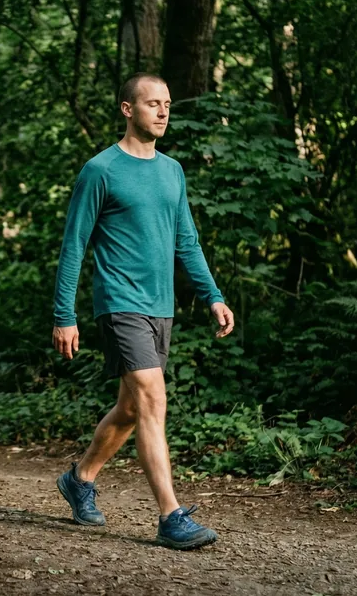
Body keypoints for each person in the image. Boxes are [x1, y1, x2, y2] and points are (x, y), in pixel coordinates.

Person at [50, 73, 234, 551]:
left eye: (167, 104)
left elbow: (186, 241)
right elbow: (74, 246)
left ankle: (80, 478)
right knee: (153, 398)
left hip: (161, 306)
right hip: (120, 303)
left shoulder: (172, 171)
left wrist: (213, 294)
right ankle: (171, 517)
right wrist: (63, 315)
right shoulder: (101, 170)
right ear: (128, 109)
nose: (163, 111)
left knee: (131, 408)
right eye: (153, 103)